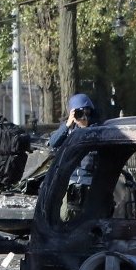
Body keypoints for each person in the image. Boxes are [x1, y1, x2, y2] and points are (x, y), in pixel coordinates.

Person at [49, 93, 100, 221]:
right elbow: (53, 142)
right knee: (65, 216)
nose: (82, 116)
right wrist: (67, 125)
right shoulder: (68, 129)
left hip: (89, 181)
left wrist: (86, 128)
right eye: (78, 113)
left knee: (88, 218)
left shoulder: (97, 129)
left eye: (86, 112)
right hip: (70, 180)